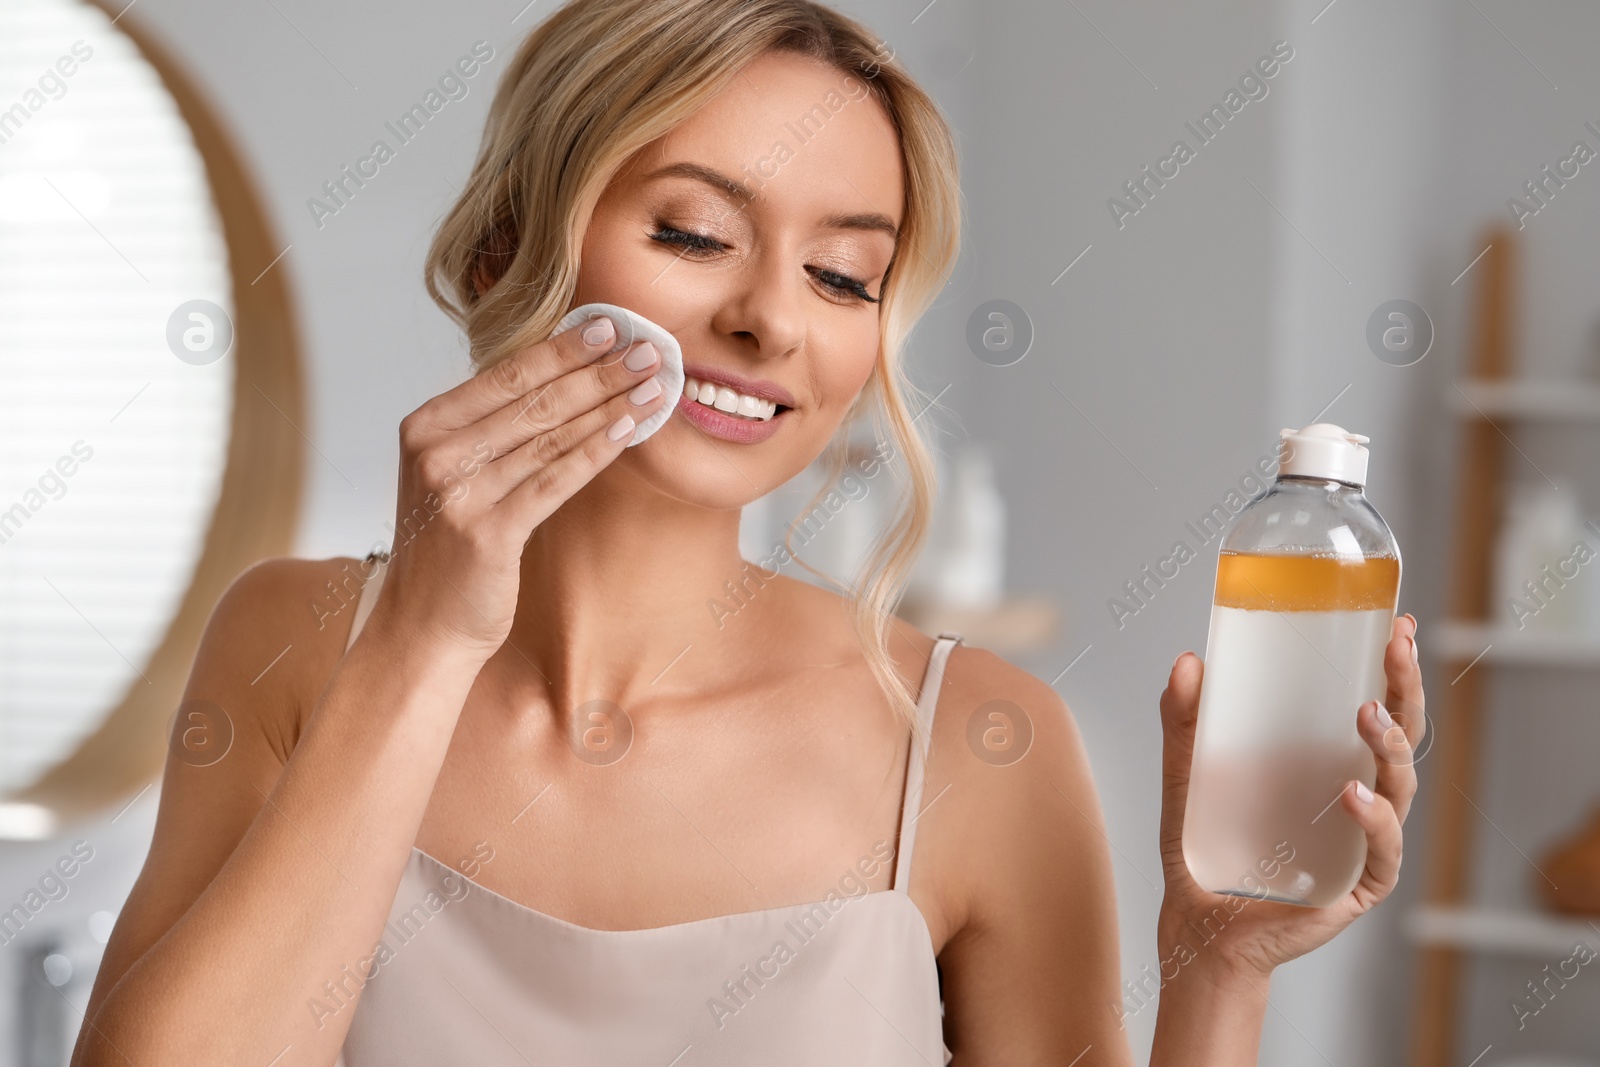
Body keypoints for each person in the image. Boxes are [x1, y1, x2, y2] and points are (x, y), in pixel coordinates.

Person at [71, 0, 1426, 1063]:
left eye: (844, 274)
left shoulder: (978, 746)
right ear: (503, 251)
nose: (773, 320)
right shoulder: (298, 646)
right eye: (695, 231)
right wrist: (424, 647)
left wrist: (1220, 975)